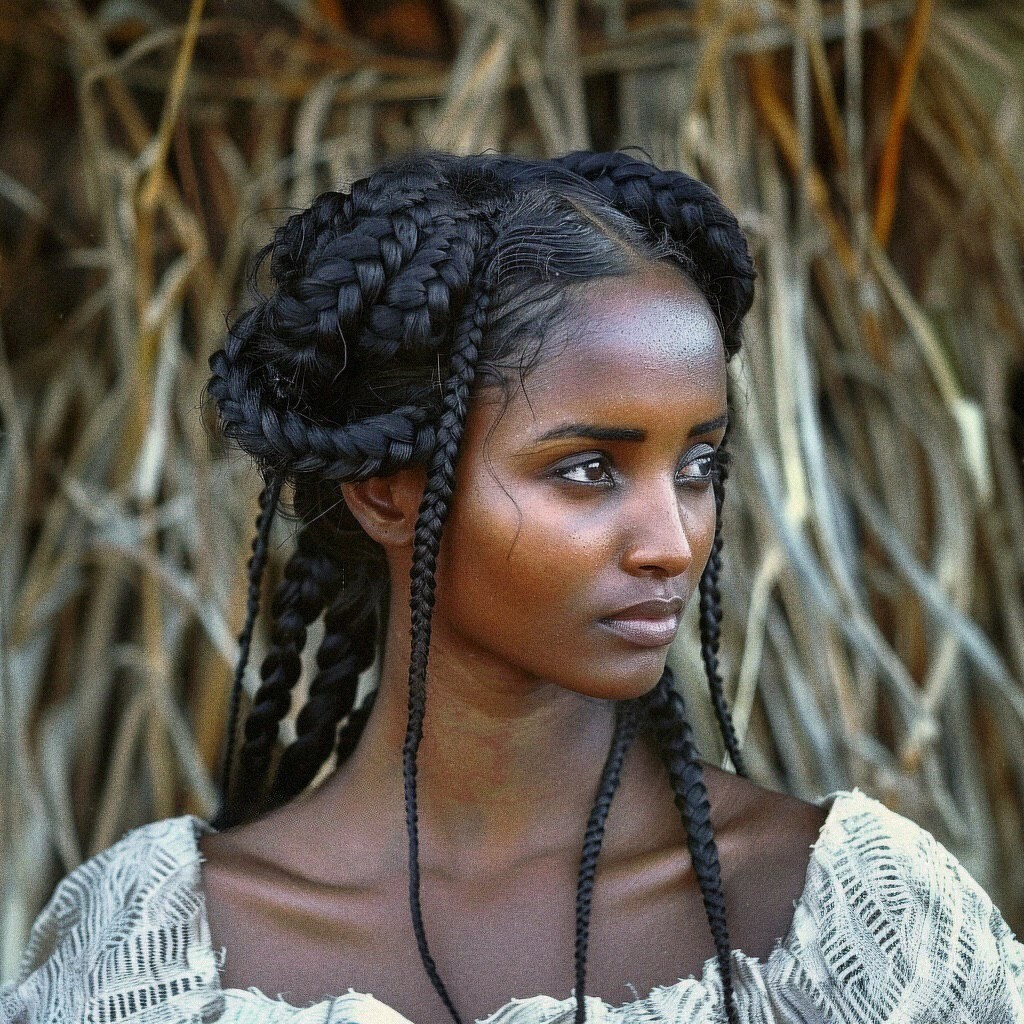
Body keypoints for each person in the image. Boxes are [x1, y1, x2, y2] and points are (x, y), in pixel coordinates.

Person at [2, 150, 1022, 1024]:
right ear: (385, 490)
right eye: (587, 469)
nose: (672, 540)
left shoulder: (847, 927)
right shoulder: (153, 955)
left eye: (698, 465)